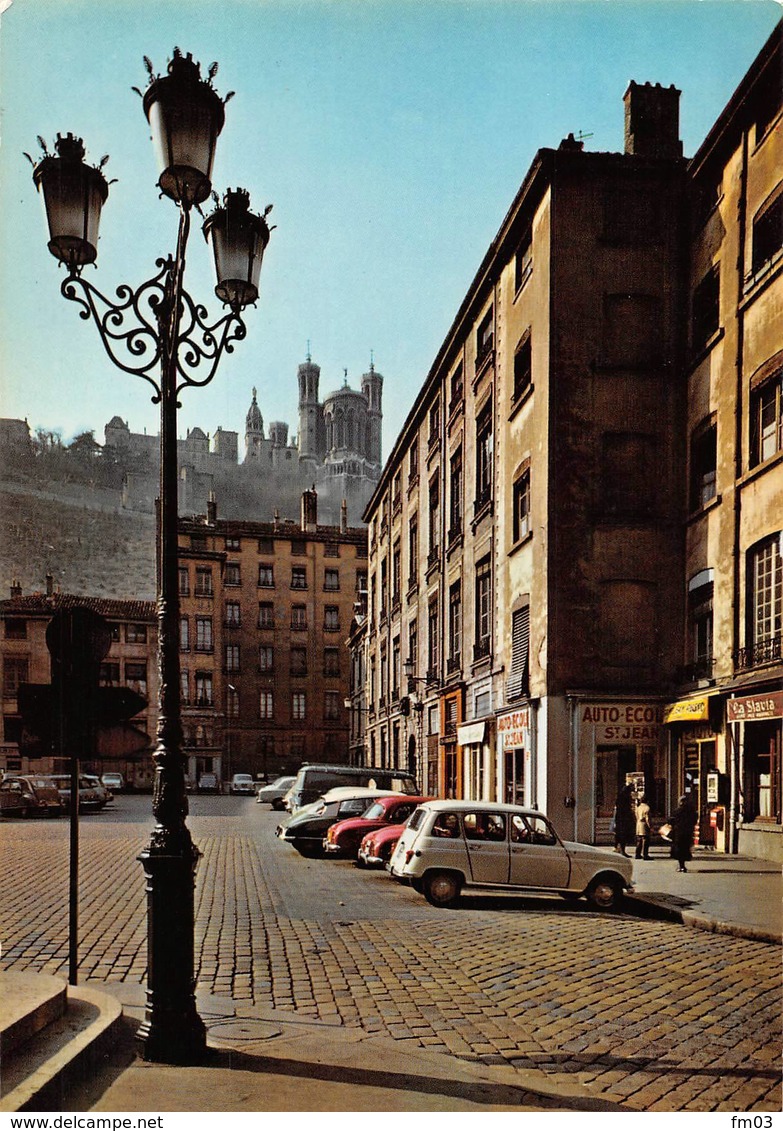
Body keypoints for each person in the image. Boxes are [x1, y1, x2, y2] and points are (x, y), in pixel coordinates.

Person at [669, 794, 698, 872]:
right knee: (685, 848)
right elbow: (695, 821)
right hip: (688, 832)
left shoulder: (677, 811)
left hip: (678, 833)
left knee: (679, 849)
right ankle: (683, 865)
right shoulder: (691, 811)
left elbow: (671, 821)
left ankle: (681, 865)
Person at [613, 784, 636, 856]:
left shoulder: (620, 797)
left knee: (619, 835)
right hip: (624, 820)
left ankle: (618, 848)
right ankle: (622, 850)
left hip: (619, 819)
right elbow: (626, 809)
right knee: (623, 835)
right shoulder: (625, 798)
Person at [635, 794, 651, 860]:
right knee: (646, 840)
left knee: (639, 840)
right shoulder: (647, 808)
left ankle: (637, 854)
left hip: (638, 824)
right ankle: (645, 854)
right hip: (644, 825)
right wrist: (650, 827)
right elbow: (648, 819)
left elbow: (636, 816)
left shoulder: (638, 807)